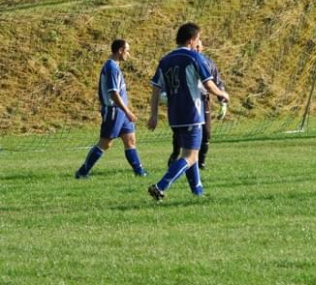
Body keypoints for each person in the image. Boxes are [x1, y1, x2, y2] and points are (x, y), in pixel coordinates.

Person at [148, 23, 230, 201]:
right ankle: (160, 186)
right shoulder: (194, 57)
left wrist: (153, 114)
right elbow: (208, 84)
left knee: (189, 152)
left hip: (174, 115)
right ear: (191, 39)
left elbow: (155, 90)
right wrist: (222, 94)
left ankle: (198, 192)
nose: (198, 42)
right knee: (191, 156)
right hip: (192, 112)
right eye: (198, 39)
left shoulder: (166, 60)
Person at [75, 39, 147, 179]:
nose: (129, 54)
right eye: (127, 51)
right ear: (120, 50)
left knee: (130, 139)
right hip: (114, 110)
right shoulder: (111, 68)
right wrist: (127, 111)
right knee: (106, 143)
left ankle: (140, 172)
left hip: (121, 111)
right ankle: (82, 172)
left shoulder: (115, 66)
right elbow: (113, 94)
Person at [167, 39, 227, 170]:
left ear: (203, 47)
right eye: (196, 46)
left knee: (206, 132)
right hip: (187, 101)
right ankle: (176, 155)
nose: (197, 49)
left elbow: (216, 82)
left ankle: (201, 163)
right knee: (183, 133)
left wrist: (223, 102)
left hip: (203, 102)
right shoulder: (184, 61)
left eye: (199, 46)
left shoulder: (208, 63)